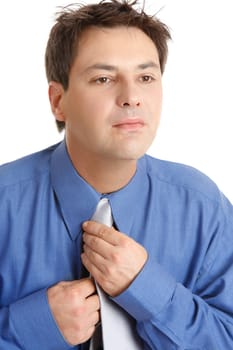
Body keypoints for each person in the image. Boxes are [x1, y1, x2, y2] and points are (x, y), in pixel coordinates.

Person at [0, 0, 233, 349]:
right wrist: (30, 327)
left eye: (145, 77)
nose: (131, 97)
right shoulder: (4, 203)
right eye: (104, 78)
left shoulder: (204, 208)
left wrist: (149, 290)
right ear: (58, 100)